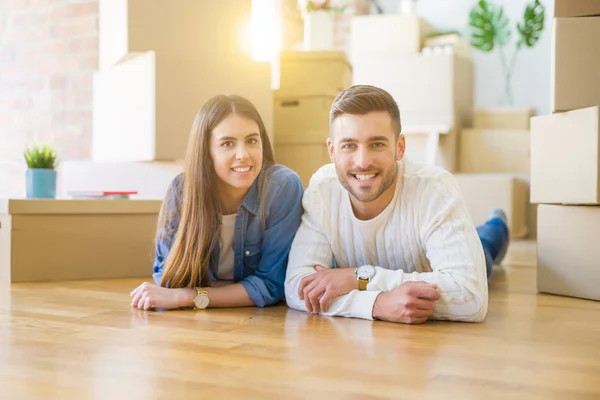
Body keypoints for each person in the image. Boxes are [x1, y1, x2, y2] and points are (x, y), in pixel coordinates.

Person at [284, 85, 509, 324]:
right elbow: (298, 287)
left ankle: (497, 225)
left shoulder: (435, 188)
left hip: (437, 264)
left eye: (377, 144)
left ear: (400, 147)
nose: (363, 161)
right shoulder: (322, 189)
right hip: (425, 278)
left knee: (484, 245)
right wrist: (378, 304)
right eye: (349, 145)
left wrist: (357, 278)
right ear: (332, 150)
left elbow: (470, 296)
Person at [131, 94, 303, 311]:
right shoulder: (181, 190)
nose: (243, 154)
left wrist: (191, 296)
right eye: (227, 143)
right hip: (194, 327)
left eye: (251, 141)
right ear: (206, 152)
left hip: (266, 324)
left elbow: (271, 285)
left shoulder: (282, 187)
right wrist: (239, 290)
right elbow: (168, 279)